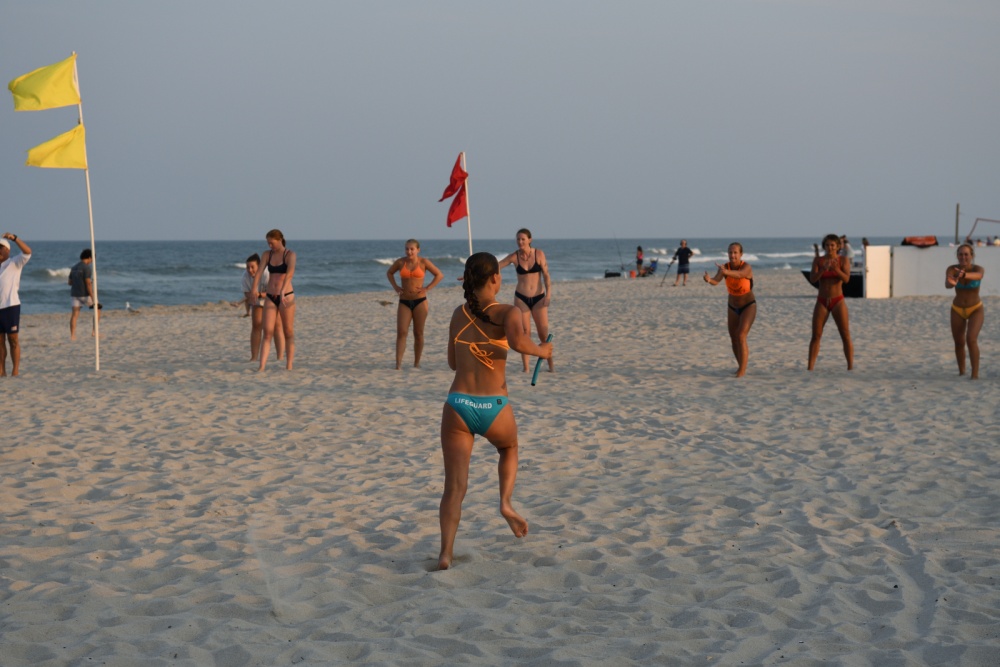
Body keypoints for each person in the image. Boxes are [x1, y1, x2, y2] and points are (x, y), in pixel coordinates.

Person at [438, 252, 553, 570]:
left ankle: (446, 553)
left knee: (454, 488)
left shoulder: (458, 314)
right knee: (509, 447)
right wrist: (542, 350)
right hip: (494, 406)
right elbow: (518, 342)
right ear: (495, 279)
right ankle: (505, 502)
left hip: (458, 406)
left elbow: (452, 363)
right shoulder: (508, 312)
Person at [498, 229, 553, 372]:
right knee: (525, 333)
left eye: (523, 239)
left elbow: (546, 275)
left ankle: (551, 365)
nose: (520, 242)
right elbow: (496, 266)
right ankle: (526, 368)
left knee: (543, 333)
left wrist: (548, 295)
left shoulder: (538, 254)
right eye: (518, 239)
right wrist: (474, 272)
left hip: (539, 298)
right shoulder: (514, 256)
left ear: (530, 240)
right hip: (521, 298)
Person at [386, 239, 444, 369]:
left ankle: (416, 363)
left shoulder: (424, 262)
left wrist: (427, 288)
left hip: (420, 301)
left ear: (418, 250)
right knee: (401, 332)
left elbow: (439, 275)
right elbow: (389, 273)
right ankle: (398, 365)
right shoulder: (400, 262)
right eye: (407, 249)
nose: (409, 251)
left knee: (418, 333)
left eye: (412, 249)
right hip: (404, 301)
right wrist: (395, 287)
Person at [703, 242, 756, 377]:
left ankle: (742, 372)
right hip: (732, 307)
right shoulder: (724, 268)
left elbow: (740, 274)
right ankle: (740, 366)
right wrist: (708, 280)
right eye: (730, 252)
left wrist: (726, 272)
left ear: (741, 254)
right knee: (733, 338)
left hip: (748, 306)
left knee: (741, 335)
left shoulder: (746, 267)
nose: (732, 255)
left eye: (735, 252)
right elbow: (716, 281)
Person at [808, 234, 854, 371]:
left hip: (838, 300)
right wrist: (823, 269)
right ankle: (810, 368)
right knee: (816, 335)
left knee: (845, 334)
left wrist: (835, 269)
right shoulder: (818, 260)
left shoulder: (843, 260)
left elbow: (846, 279)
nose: (830, 248)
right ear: (824, 246)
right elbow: (813, 279)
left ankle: (850, 367)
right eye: (827, 245)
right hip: (822, 300)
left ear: (838, 246)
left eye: (833, 245)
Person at [252, 229, 296, 371]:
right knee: (267, 332)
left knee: (288, 331)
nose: (270, 246)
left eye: (272, 243)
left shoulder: (290, 255)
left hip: (286, 295)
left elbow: (290, 273)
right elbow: (259, 272)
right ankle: (261, 366)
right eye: (268, 243)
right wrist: (254, 288)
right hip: (271, 296)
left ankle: (289, 365)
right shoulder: (267, 254)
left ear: (280, 240)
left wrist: (283, 290)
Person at [945, 243, 985, 379]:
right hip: (957, 309)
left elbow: (979, 276)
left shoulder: (977, 268)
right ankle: (962, 372)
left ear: (971, 256)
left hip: (975, 309)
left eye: (966, 254)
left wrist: (965, 275)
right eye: (961, 254)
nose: (963, 257)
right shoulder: (952, 269)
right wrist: (952, 282)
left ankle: (975, 375)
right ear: (957, 256)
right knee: (959, 342)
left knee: (971, 339)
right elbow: (947, 284)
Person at [0, 233, 32, 377]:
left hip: (11, 306)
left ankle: (15, 371)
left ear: (7, 250)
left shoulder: (15, 262)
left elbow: (28, 252)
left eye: (0, 248)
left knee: (13, 340)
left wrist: (14, 238)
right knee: (0, 342)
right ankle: (2, 371)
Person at [242, 253, 284, 363]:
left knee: (276, 326)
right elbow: (246, 293)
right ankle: (254, 357)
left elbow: (274, 291)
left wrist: (259, 294)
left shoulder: (267, 273)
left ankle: (280, 357)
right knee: (256, 325)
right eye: (247, 267)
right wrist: (253, 296)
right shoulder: (245, 276)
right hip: (257, 299)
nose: (250, 270)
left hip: (274, 297)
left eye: (252, 267)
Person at [68, 248, 98, 340]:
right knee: (98, 309)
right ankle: (94, 332)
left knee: (74, 315)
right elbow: (88, 284)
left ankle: (72, 335)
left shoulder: (74, 267)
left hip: (74, 294)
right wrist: (93, 296)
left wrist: (78, 281)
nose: (92, 261)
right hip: (84, 294)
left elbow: (69, 282)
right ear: (89, 257)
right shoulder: (86, 268)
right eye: (92, 259)